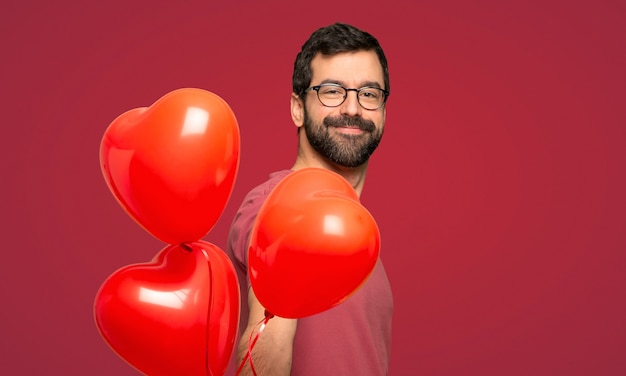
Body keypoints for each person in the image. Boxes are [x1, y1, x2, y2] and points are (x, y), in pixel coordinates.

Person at [227, 22, 393, 375]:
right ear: (298, 108)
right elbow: (267, 345)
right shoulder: (280, 207)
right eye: (332, 91)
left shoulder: (355, 231)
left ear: (382, 111)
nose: (353, 108)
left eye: (368, 93)